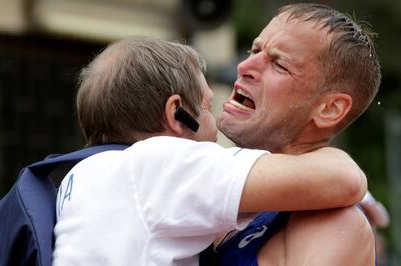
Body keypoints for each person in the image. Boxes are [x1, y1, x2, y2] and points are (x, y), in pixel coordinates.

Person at [52, 37, 367, 266]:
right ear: (176, 114)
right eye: (206, 106)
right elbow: (345, 180)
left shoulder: (82, 178)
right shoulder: (162, 163)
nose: (215, 123)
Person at [211, 3, 382, 266]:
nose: (245, 66)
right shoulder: (220, 188)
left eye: (279, 64)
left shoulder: (334, 224)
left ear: (329, 109)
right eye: (254, 50)